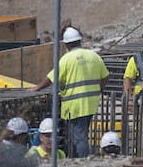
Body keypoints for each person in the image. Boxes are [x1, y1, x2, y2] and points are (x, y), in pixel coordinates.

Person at [32, 27, 108, 158]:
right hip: (91, 103)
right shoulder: (94, 56)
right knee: (81, 133)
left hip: (75, 105)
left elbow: (52, 77)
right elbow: (105, 76)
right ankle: (78, 157)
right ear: (80, 41)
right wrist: (100, 88)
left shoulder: (67, 59)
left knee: (79, 136)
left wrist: (37, 88)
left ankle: (83, 161)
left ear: (66, 44)